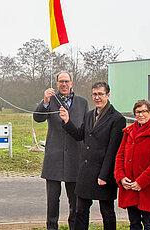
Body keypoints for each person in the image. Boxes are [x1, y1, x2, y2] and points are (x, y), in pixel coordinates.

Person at [60, 81, 126, 230]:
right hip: (86, 173)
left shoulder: (117, 119)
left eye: (100, 94)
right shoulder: (90, 115)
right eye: (95, 94)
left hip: (104, 173)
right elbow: (79, 135)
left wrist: (104, 175)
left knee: (107, 212)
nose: (97, 97)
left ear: (108, 95)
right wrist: (67, 121)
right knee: (81, 211)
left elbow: (113, 150)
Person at [33, 72, 89, 229]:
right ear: (56, 84)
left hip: (75, 157)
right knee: (52, 200)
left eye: (66, 81)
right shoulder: (51, 101)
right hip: (54, 158)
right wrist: (44, 101)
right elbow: (37, 118)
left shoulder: (82, 103)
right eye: (60, 81)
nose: (64, 84)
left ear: (71, 83)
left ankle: (74, 226)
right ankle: (52, 226)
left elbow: (85, 129)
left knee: (75, 201)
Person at [114, 100, 150, 230]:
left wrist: (141, 182)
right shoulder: (129, 131)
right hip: (129, 185)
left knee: (149, 223)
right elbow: (120, 156)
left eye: (144, 111)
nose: (141, 115)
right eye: (138, 112)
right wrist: (121, 177)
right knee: (134, 223)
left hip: (147, 187)